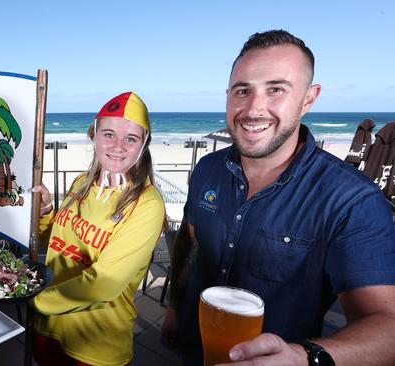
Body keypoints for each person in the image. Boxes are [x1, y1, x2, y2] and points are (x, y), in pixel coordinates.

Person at [161, 30, 395, 365]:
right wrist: (174, 308)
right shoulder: (208, 168)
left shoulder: (351, 201)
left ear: (308, 98)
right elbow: (190, 240)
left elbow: (387, 328)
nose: (254, 109)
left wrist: (304, 358)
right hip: (192, 348)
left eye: (276, 89)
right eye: (243, 90)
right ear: (228, 95)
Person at [31, 92, 165, 366]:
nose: (118, 146)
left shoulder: (147, 205)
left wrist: (34, 300)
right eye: (109, 134)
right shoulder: (81, 182)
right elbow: (58, 242)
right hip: (48, 330)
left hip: (95, 345)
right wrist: (46, 212)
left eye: (131, 138)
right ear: (93, 134)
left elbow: (104, 284)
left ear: (143, 145)